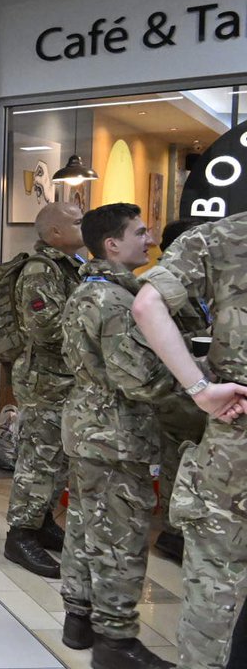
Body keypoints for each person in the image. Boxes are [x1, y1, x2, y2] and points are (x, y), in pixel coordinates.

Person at [55, 203, 174, 669]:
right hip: (116, 435)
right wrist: (191, 375)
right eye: (140, 232)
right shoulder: (117, 302)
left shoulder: (87, 289)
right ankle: (117, 640)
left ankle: (79, 616)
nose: (149, 239)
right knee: (121, 535)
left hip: (87, 429)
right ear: (112, 244)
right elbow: (137, 379)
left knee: (86, 525)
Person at [132, 213, 247, 669]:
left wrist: (200, 390)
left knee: (216, 588)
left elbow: (146, 305)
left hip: (235, 436)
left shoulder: (223, 235)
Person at [2, 201, 85, 578]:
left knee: (58, 460)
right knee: (39, 458)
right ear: (54, 233)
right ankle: (20, 534)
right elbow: (45, 327)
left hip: (68, 379)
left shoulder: (73, 267)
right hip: (46, 381)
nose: (84, 226)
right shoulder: (41, 270)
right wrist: (92, 323)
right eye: (76, 221)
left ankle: (43, 522)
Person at [149, 218, 208, 564]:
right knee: (176, 456)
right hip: (173, 388)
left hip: (196, 386)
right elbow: (150, 336)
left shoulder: (195, 284)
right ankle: (173, 533)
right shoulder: (159, 288)